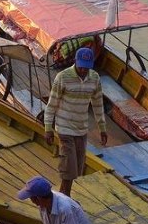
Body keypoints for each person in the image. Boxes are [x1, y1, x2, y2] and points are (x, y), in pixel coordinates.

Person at [43, 46, 108, 195]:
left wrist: (102, 128)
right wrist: (48, 128)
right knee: (68, 168)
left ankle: (65, 196)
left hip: (81, 128)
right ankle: (64, 198)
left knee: (77, 169)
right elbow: (52, 104)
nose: (84, 71)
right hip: (64, 128)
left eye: (87, 68)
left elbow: (97, 104)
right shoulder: (63, 77)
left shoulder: (95, 78)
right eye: (81, 67)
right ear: (75, 62)